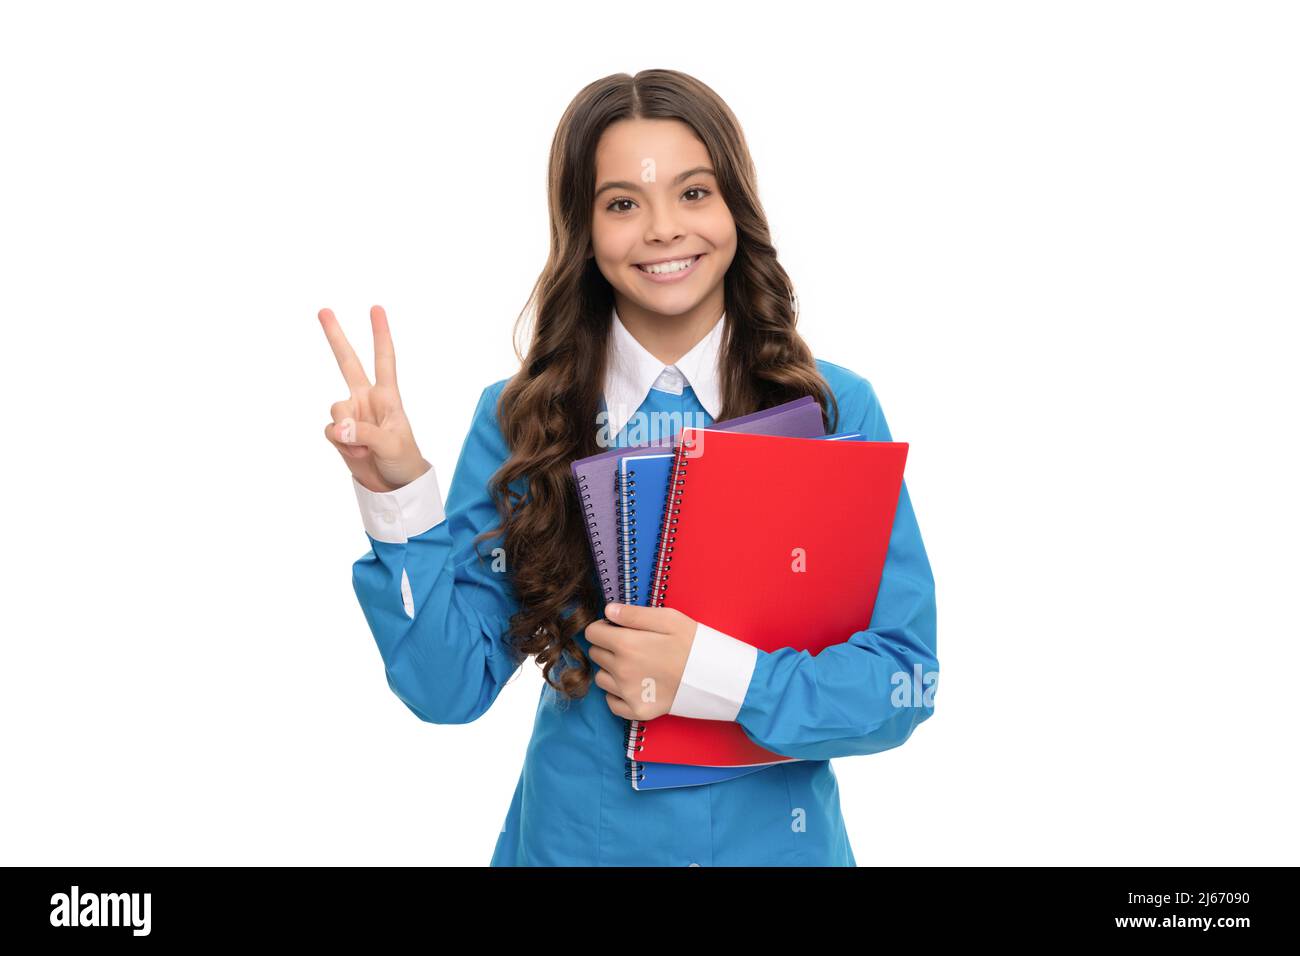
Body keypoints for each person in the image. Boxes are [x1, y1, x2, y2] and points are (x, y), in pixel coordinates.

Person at [317, 68, 938, 866]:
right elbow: (448, 689)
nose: (661, 230)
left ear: (735, 209)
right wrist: (397, 493)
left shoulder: (831, 411)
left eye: (693, 193)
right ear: (582, 228)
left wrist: (712, 675)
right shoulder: (520, 420)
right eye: (621, 203)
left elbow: (901, 683)